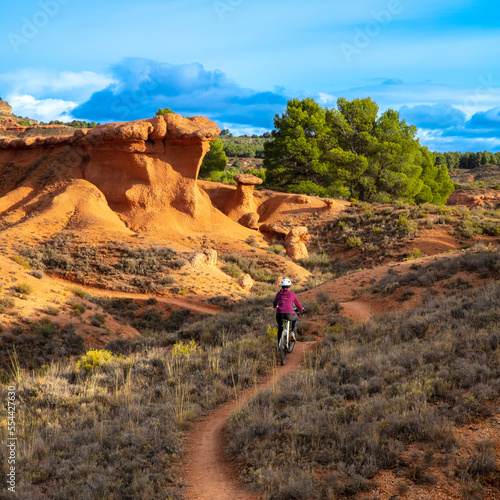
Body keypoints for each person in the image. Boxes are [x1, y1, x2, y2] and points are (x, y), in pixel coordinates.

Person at [273, 278, 304, 348]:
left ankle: (279, 345)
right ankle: (292, 332)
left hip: (279, 314)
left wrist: (274, 306)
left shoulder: (278, 294)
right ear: (289, 286)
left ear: (282, 286)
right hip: (289, 314)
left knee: (280, 329)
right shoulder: (292, 294)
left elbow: (274, 302)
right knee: (296, 318)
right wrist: (301, 309)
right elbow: (298, 304)